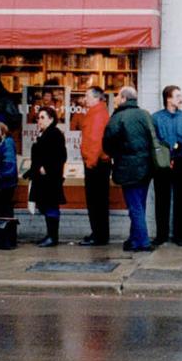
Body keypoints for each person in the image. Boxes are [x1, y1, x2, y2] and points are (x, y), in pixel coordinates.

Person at [102, 86, 157, 252]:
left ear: (124, 98)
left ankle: (143, 242)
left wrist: (117, 154)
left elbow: (108, 143)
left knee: (135, 206)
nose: (117, 99)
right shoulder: (145, 115)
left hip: (128, 166)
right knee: (139, 204)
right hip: (147, 166)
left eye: (118, 96)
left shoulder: (118, 117)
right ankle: (134, 240)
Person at [153, 84, 182, 247]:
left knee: (181, 199)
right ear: (168, 98)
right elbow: (154, 139)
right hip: (162, 163)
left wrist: (181, 154)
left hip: (181, 163)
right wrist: (165, 154)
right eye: (177, 96)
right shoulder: (156, 118)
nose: (181, 99)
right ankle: (161, 235)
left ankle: (181, 235)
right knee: (161, 199)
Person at [26, 104, 69, 248]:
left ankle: (52, 237)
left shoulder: (55, 134)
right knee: (45, 206)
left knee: (51, 206)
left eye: (43, 117)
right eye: (38, 118)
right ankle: (49, 235)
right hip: (42, 178)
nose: (39, 120)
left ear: (51, 119)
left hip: (50, 179)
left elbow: (60, 156)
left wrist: (47, 168)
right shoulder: (43, 133)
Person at [78, 86, 111, 246]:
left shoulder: (97, 115)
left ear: (97, 98)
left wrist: (90, 162)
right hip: (98, 163)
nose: (85, 99)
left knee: (95, 201)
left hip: (95, 164)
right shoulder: (98, 112)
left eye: (87, 96)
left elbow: (96, 140)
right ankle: (99, 233)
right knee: (99, 201)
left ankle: (98, 235)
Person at [0, 119, 19, 218]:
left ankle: (7, 232)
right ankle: (7, 232)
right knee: (3, 209)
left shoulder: (8, 142)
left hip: (6, 183)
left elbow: (9, 166)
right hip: (4, 182)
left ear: (4, 127)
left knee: (4, 209)